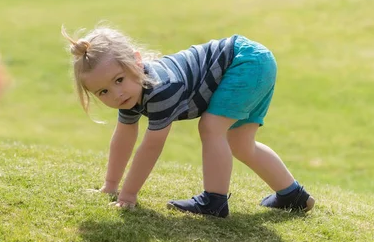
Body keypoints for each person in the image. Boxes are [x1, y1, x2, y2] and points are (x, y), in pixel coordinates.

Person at [63, 24, 315, 217]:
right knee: (240, 142)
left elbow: (151, 146)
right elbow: (123, 137)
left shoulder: (161, 88)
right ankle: (292, 195)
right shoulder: (132, 94)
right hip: (256, 61)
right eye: (103, 92)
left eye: (119, 80)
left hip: (245, 62)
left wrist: (128, 195)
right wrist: (110, 185)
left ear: (137, 63)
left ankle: (214, 201)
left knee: (211, 127)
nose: (116, 93)